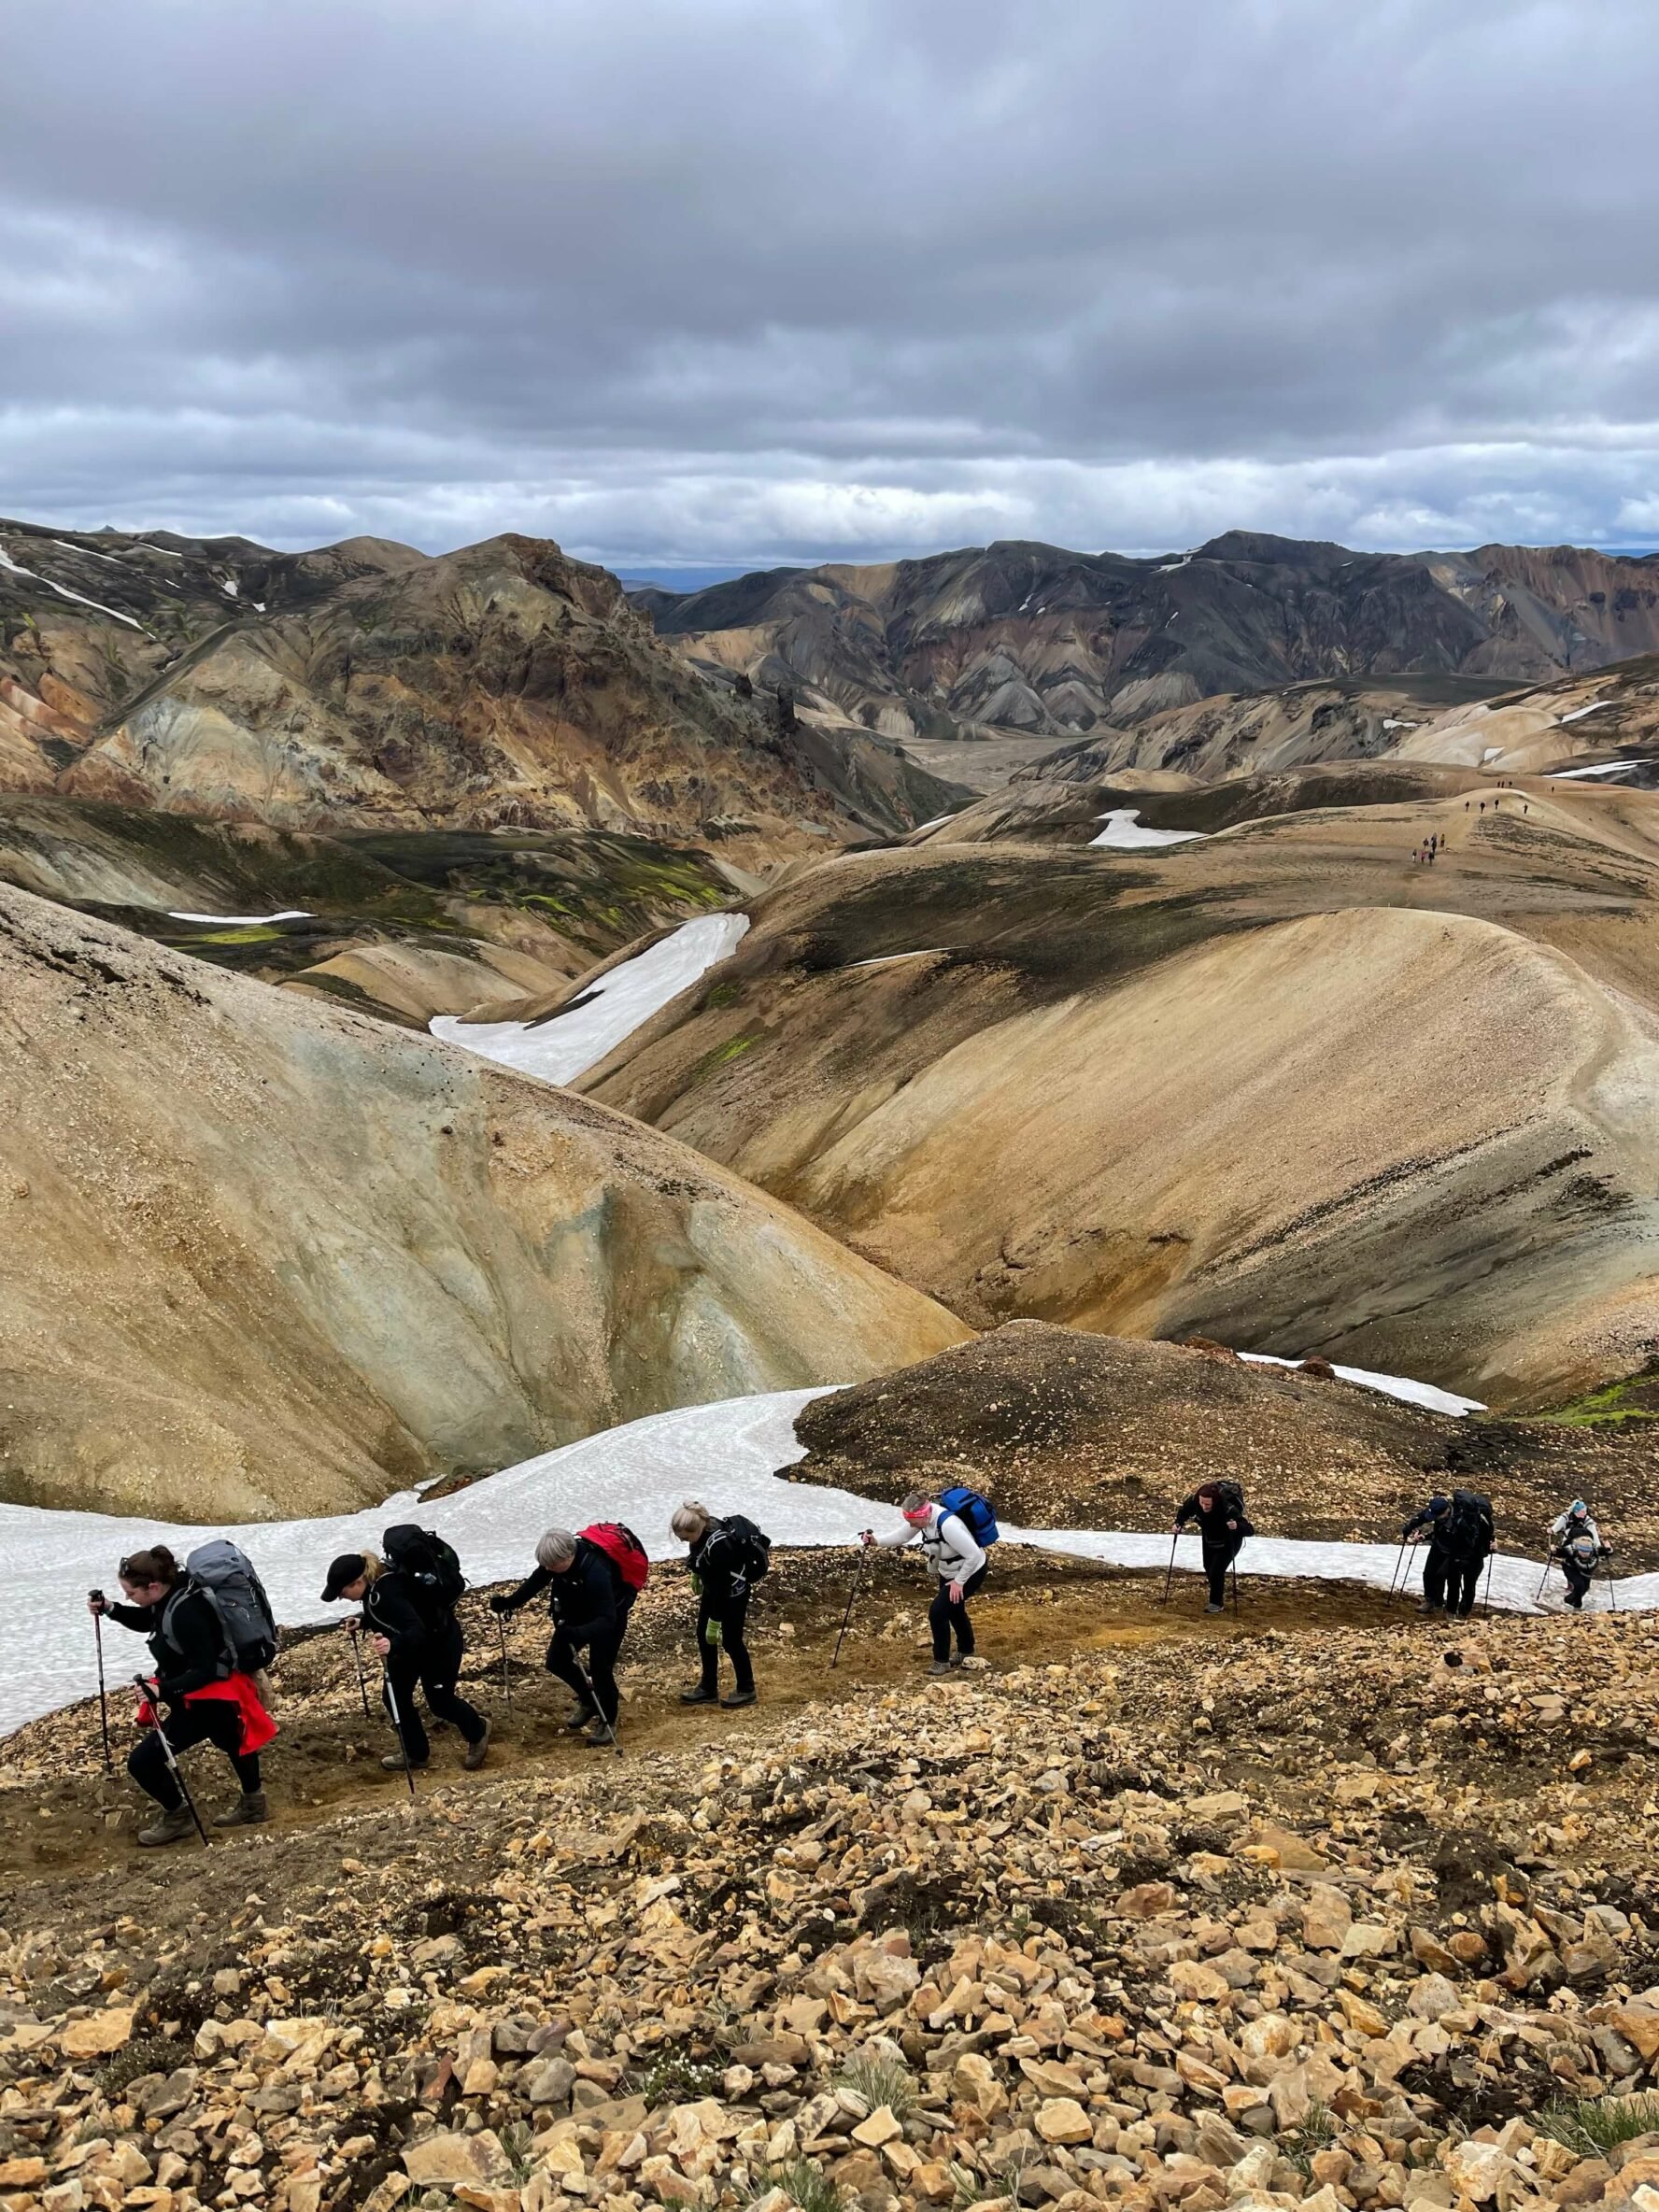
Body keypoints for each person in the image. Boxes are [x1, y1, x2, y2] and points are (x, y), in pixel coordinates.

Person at [90, 1546, 276, 1845]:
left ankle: (179, 1818)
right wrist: (111, 1608)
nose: (128, 1598)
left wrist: (161, 1689)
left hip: (206, 1700)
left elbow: (207, 1669)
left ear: (152, 1586)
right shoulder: (175, 1592)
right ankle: (254, 1804)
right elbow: (150, 1619)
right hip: (211, 1697)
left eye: (130, 1593)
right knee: (233, 1741)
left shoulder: (188, 1612)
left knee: (143, 1762)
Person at [321, 1547, 489, 1773]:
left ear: (356, 1583)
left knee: (440, 1701)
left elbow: (416, 1628)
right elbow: (390, 1613)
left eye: (342, 1593)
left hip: (439, 1643)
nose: (342, 1598)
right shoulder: (376, 1586)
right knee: (395, 1697)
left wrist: (392, 1645)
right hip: (409, 1646)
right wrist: (364, 1622)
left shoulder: (385, 1592)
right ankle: (416, 1754)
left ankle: (478, 1731)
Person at [490, 1528, 638, 1745]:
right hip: (576, 1617)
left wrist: (578, 1633)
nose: (549, 1569)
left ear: (569, 1556)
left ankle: (608, 1722)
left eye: (552, 1565)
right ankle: (589, 1700)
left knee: (601, 1670)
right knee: (556, 1662)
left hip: (608, 1620)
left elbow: (607, 1620)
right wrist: (509, 1603)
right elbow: (537, 1580)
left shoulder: (596, 1571)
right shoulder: (557, 1562)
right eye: (546, 1565)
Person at [864, 1490, 989, 1675]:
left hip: (971, 1571)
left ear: (924, 1514)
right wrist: (876, 1541)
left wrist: (959, 1582)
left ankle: (941, 1661)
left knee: (938, 1612)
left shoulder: (948, 1526)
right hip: (948, 1571)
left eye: (913, 1522)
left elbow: (974, 1555)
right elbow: (902, 1536)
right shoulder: (923, 1519)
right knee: (953, 1609)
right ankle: (965, 1651)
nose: (911, 1525)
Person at [671, 1501, 767, 1708]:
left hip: (732, 1594)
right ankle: (708, 1688)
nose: (683, 1541)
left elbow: (722, 1588)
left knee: (731, 1641)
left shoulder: (720, 1545)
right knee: (703, 1636)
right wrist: (698, 1575)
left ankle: (747, 1689)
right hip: (714, 1589)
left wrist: (715, 1620)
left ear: (697, 1528)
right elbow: (703, 1563)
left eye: (685, 1538)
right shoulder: (701, 1532)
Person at [1403, 1490, 1493, 1618]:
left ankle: (1452, 1611)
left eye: (1437, 1516)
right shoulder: (1438, 1511)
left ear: (1446, 1511)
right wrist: (1409, 1528)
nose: (1434, 1518)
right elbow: (1423, 1518)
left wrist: (1486, 1549)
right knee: (1428, 1574)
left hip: (1457, 1552)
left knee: (1452, 1580)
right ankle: (1432, 1601)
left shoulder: (1462, 1521)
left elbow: (1473, 1540)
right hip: (1439, 1545)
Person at [1173, 1482, 1254, 1612]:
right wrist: (1178, 1523)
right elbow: (1184, 1512)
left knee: (1217, 1570)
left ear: (1215, 1501)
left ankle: (1216, 1603)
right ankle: (1218, 1593)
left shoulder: (1227, 1508)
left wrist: (1237, 1527)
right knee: (1208, 1567)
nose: (1204, 1506)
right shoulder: (1195, 1501)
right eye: (1202, 1503)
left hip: (1230, 1541)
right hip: (1209, 1538)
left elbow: (1250, 1530)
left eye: (1208, 1504)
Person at [1549, 1500, 1611, 1610]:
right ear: (1576, 1511)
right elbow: (1562, 1550)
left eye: (1585, 1511)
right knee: (1578, 1584)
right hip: (1571, 1543)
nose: (1584, 1513)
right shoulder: (1567, 1518)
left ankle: (1571, 1599)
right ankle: (1576, 1603)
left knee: (1584, 1587)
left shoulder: (1588, 1522)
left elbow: (1596, 1541)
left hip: (1586, 1541)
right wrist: (1554, 1547)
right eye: (1582, 1512)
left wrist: (1604, 1548)